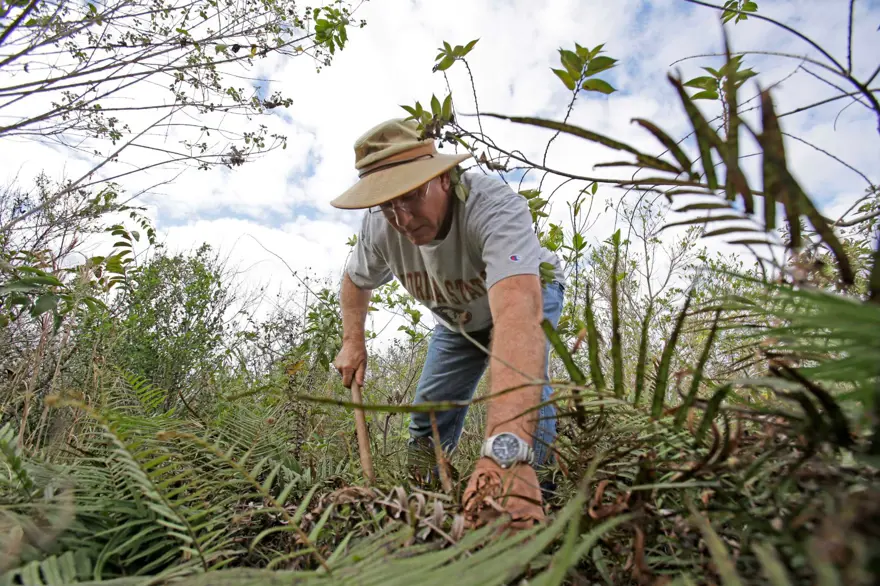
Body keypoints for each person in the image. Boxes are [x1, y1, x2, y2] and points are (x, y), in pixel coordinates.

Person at [331, 118, 564, 528]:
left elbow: (515, 314)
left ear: (443, 178)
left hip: (527, 294)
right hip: (457, 318)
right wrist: (353, 341)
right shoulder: (380, 228)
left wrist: (502, 454)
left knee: (529, 397)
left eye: (412, 195)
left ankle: (531, 498)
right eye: (387, 204)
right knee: (428, 417)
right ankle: (421, 510)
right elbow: (355, 280)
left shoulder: (492, 207)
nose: (401, 218)